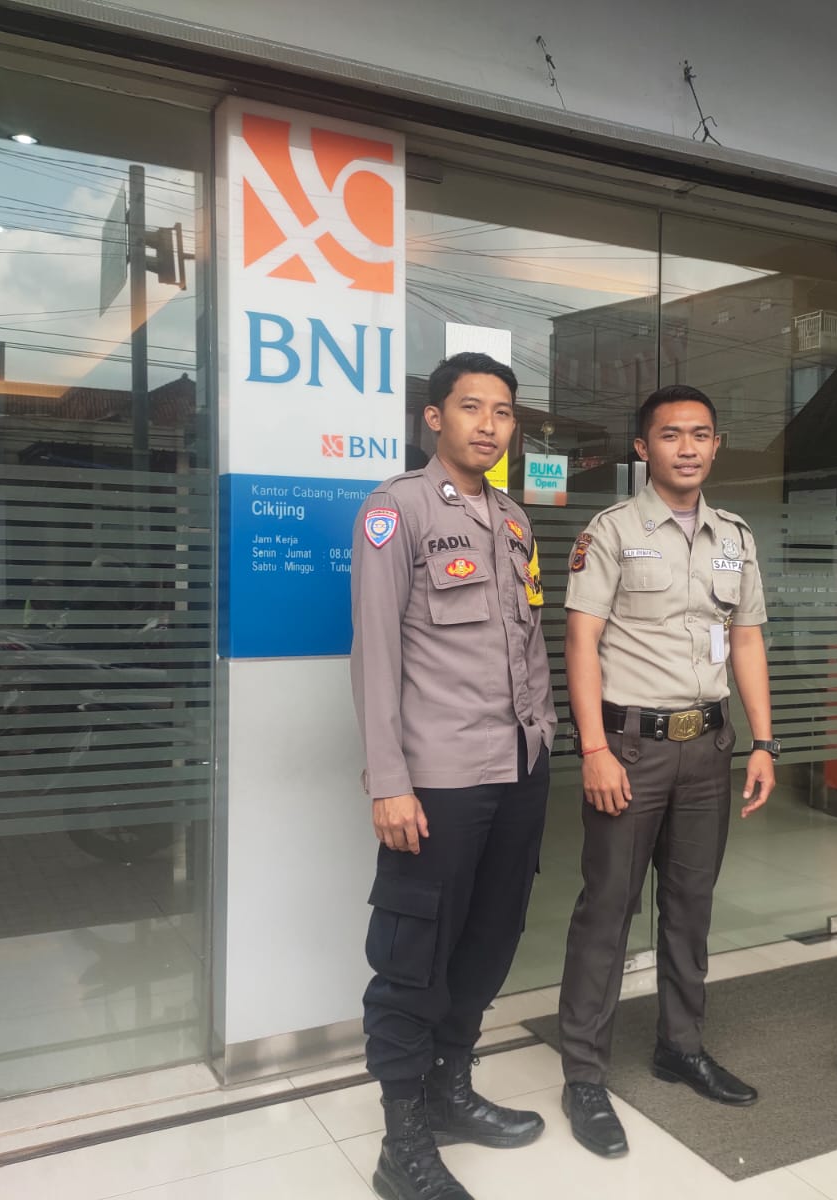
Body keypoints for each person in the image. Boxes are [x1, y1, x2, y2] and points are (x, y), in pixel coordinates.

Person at [350, 352, 557, 1200]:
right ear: (435, 418)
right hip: (437, 778)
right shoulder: (395, 510)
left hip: (518, 768)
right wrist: (387, 780)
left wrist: (545, 741)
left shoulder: (513, 520)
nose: (489, 425)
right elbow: (374, 652)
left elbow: (528, 646)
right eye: (472, 408)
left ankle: (450, 1091)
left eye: (502, 412)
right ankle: (402, 1140)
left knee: (491, 937)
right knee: (415, 955)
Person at [556, 383, 778, 1159]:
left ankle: (680, 1045)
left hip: (707, 748)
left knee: (691, 905)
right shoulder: (612, 530)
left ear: (717, 445)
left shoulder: (735, 535)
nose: (688, 447)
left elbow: (745, 639)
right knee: (608, 909)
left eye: (700, 434)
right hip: (631, 748)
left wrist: (763, 742)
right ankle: (584, 1074)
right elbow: (581, 642)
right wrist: (593, 749)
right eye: (671, 434)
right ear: (642, 448)